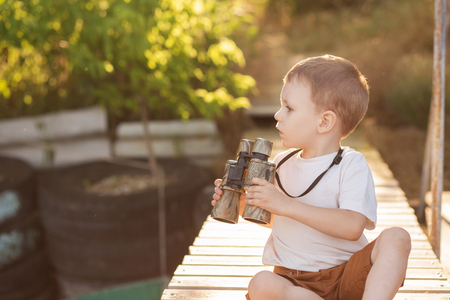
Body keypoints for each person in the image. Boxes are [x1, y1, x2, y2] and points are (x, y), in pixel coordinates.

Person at [211, 54, 411, 300]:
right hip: (293, 283)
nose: (277, 115)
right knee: (261, 283)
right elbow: (282, 221)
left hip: (347, 277)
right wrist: (242, 204)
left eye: (289, 108)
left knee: (397, 237)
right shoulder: (281, 164)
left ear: (324, 121)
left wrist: (287, 205)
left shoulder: (350, 164)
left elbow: (352, 226)